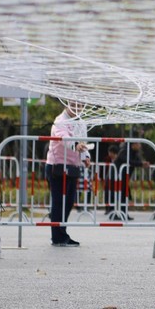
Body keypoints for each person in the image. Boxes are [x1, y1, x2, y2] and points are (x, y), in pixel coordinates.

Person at [46, 101, 90, 246]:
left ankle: (61, 233)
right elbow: (63, 138)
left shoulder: (81, 122)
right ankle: (58, 237)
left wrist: (86, 157)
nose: (78, 108)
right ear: (67, 104)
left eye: (81, 105)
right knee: (59, 202)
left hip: (72, 167)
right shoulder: (60, 121)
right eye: (74, 104)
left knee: (69, 202)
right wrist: (75, 145)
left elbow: (84, 142)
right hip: (57, 166)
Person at [112, 141, 149, 221]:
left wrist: (142, 163)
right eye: (138, 144)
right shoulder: (124, 151)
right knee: (119, 195)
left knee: (125, 195)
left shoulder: (134, 152)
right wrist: (141, 164)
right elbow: (128, 161)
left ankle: (123, 213)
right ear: (133, 145)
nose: (140, 146)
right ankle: (116, 213)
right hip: (117, 176)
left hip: (124, 177)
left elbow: (138, 161)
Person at [103, 144, 120, 215]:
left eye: (110, 152)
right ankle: (108, 209)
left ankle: (112, 209)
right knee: (107, 194)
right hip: (108, 179)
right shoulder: (108, 159)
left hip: (114, 180)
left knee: (113, 195)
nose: (109, 154)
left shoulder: (118, 159)